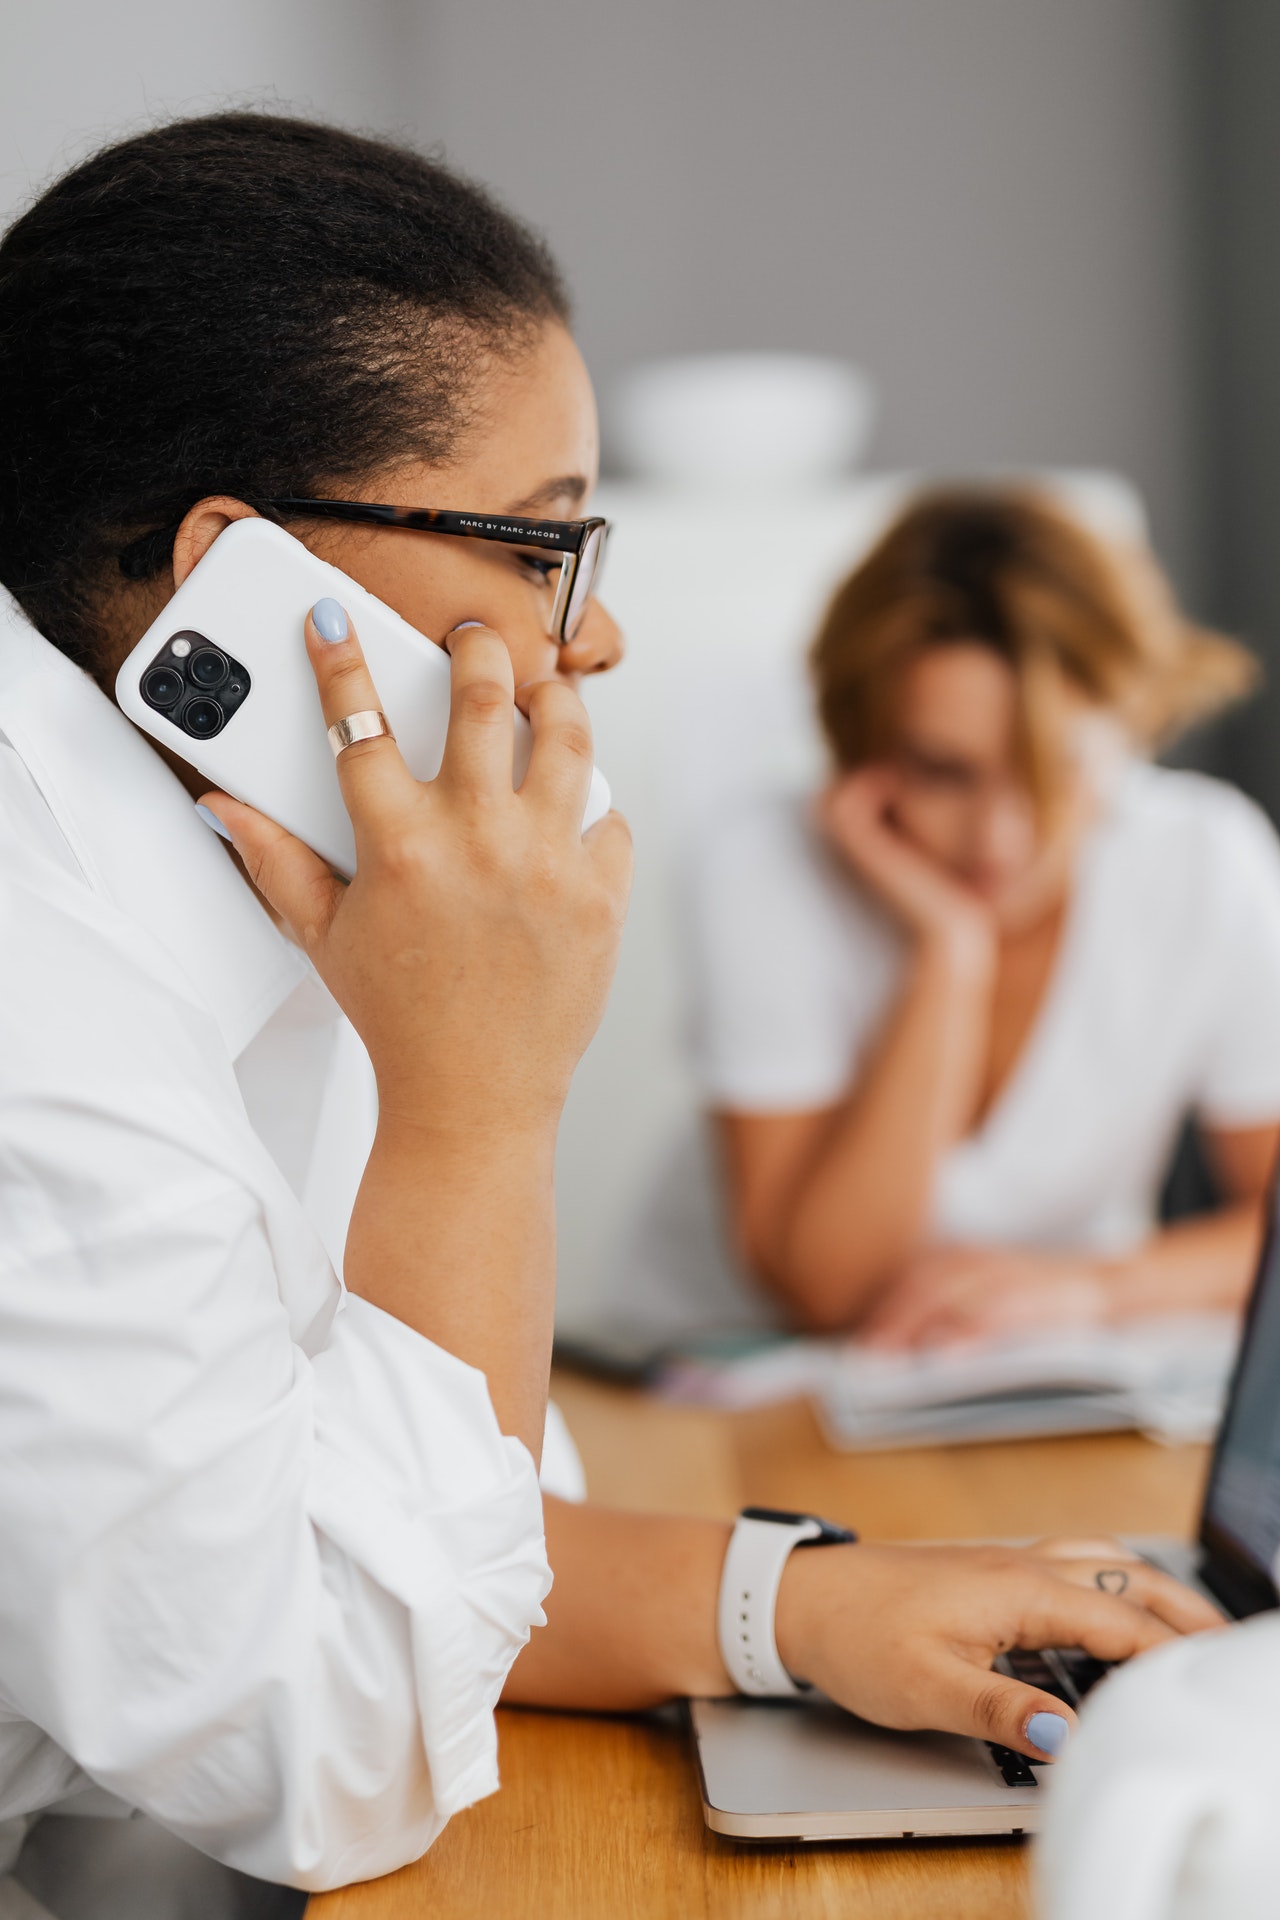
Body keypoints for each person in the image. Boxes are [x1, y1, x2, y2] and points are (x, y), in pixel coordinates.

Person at [0, 117, 1219, 1910]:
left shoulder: (265, 874)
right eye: (542, 543)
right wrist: (478, 1102)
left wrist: (791, 1601)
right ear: (238, 588)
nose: (596, 640)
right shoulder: (43, 1007)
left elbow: (438, 1531)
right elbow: (331, 1745)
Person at [683, 488, 1280, 1346]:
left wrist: (1090, 1290)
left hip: (1033, 1379)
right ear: (865, 746)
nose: (999, 839)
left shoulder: (1209, 862)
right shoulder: (762, 867)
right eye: (943, 771)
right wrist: (949, 957)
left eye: (1054, 768)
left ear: (1129, 725)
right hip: (723, 1376)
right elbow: (826, 1292)